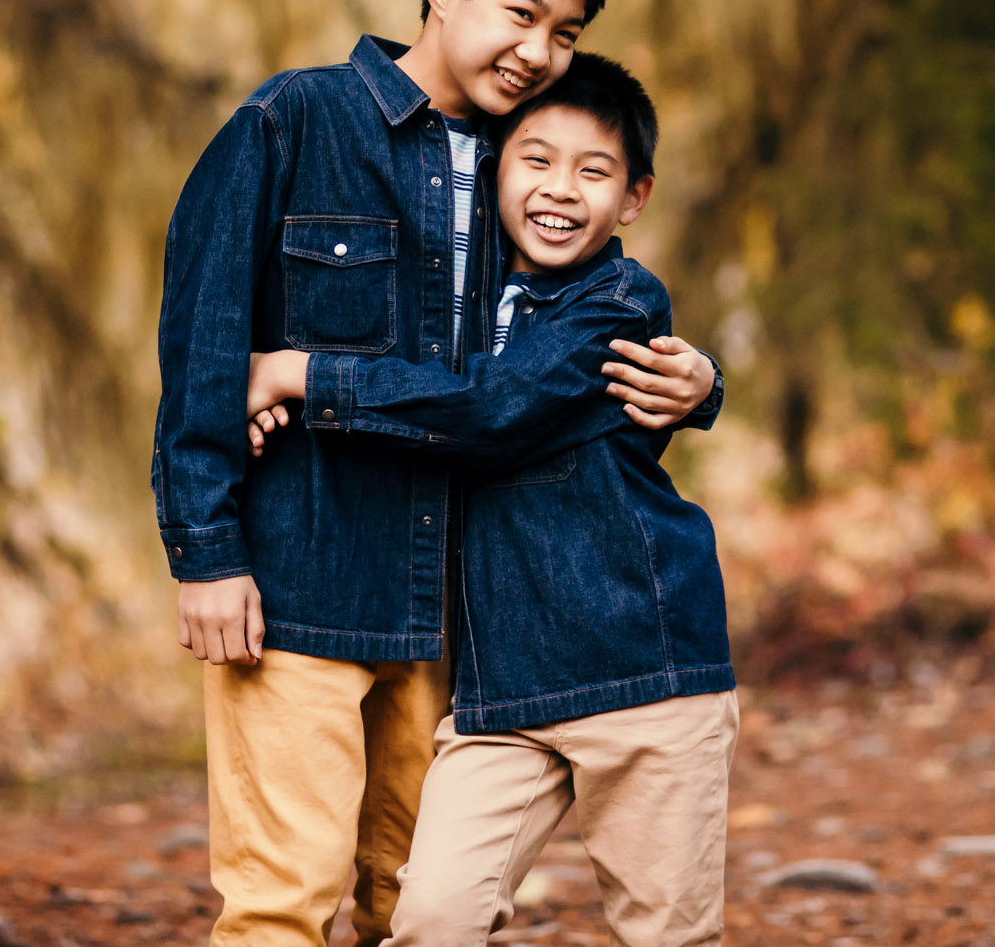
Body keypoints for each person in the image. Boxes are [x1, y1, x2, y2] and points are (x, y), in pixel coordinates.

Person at [151, 0, 724, 946]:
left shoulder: (519, 168)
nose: (539, 50)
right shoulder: (293, 121)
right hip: (296, 590)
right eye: (521, 11)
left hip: (446, 614)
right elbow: (202, 346)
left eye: (566, 32)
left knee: (411, 906)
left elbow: (558, 353)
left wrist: (699, 384)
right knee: (280, 902)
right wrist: (203, 551)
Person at [245, 53, 737, 946]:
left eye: (594, 171)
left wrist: (301, 372)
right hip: (500, 694)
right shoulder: (462, 310)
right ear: (495, 169)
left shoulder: (622, 300)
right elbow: (433, 381)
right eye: (535, 160)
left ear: (633, 198)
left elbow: (491, 407)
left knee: (666, 934)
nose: (560, 190)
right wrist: (264, 415)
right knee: (430, 915)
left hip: (644, 672)